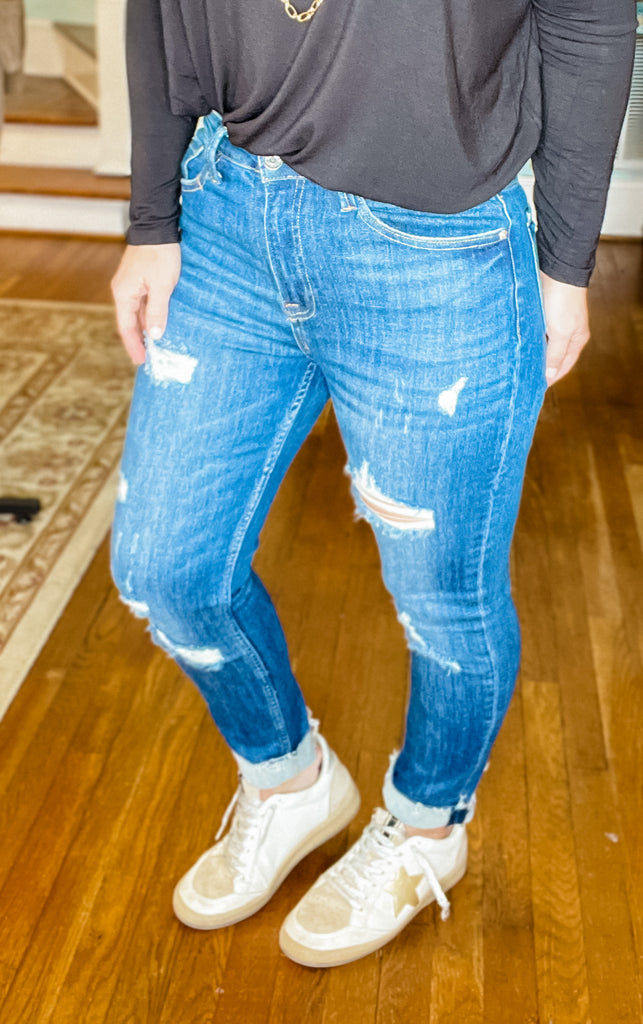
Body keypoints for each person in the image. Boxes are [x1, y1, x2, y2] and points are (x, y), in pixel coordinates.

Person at [110, 0, 636, 968]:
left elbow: (586, 19)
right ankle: (289, 783)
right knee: (165, 570)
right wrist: (152, 217)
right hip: (227, 208)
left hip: (436, 243)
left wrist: (565, 263)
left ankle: (428, 823)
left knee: (443, 600)